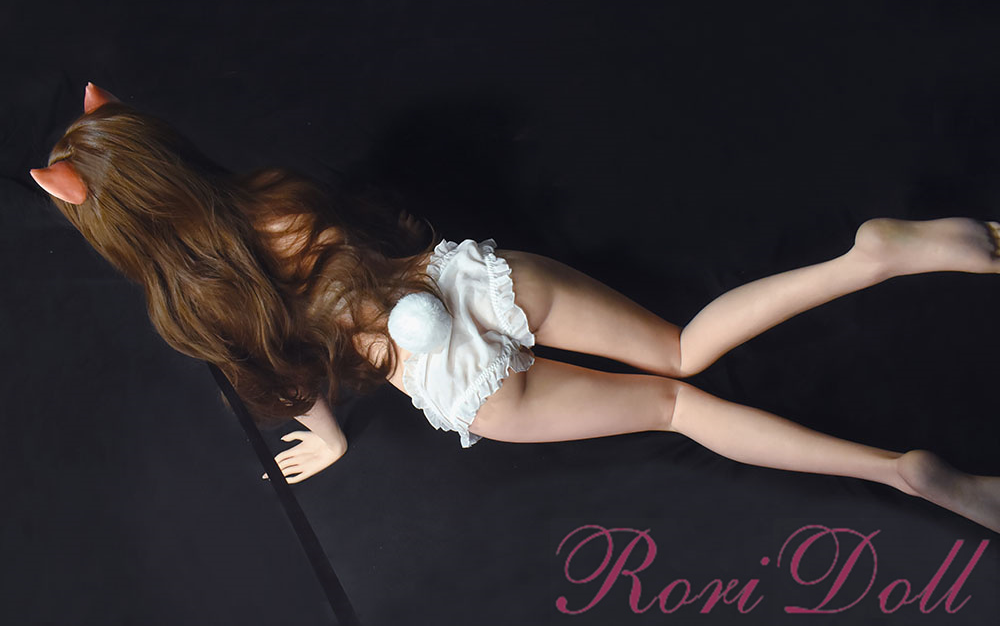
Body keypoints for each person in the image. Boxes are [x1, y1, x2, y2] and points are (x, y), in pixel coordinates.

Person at [31, 83, 1000, 534]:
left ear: (116, 228)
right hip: (464, 282)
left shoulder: (199, 308)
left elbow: (285, 379)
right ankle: (867, 259)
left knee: (675, 408)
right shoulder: (275, 193)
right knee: (682, 347)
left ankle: (902, 474)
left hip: (455, 375)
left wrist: (324, 436)